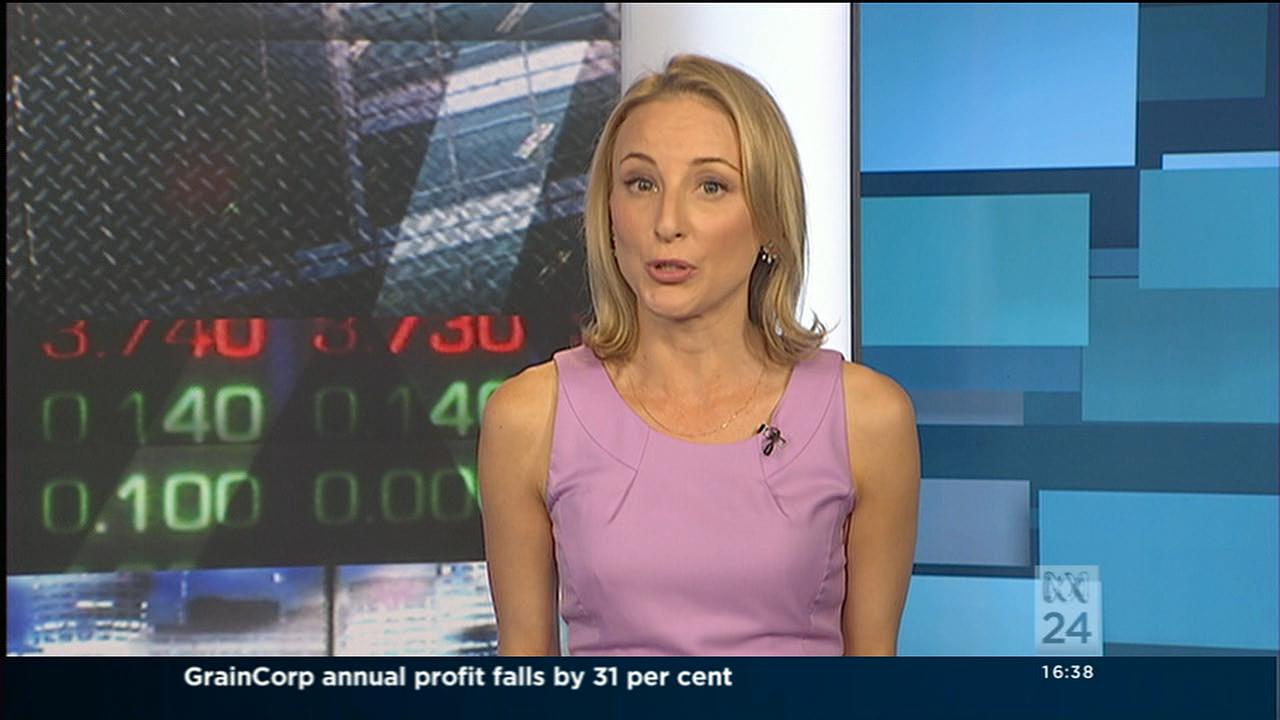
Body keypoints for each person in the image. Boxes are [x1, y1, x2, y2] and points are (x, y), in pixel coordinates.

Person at [478, 54, 919, 656]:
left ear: (769, 219)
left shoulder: (868, 419)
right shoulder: (530, 418)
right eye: (641, 184)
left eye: (711, 186)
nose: (667, 222)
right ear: (608, 214)